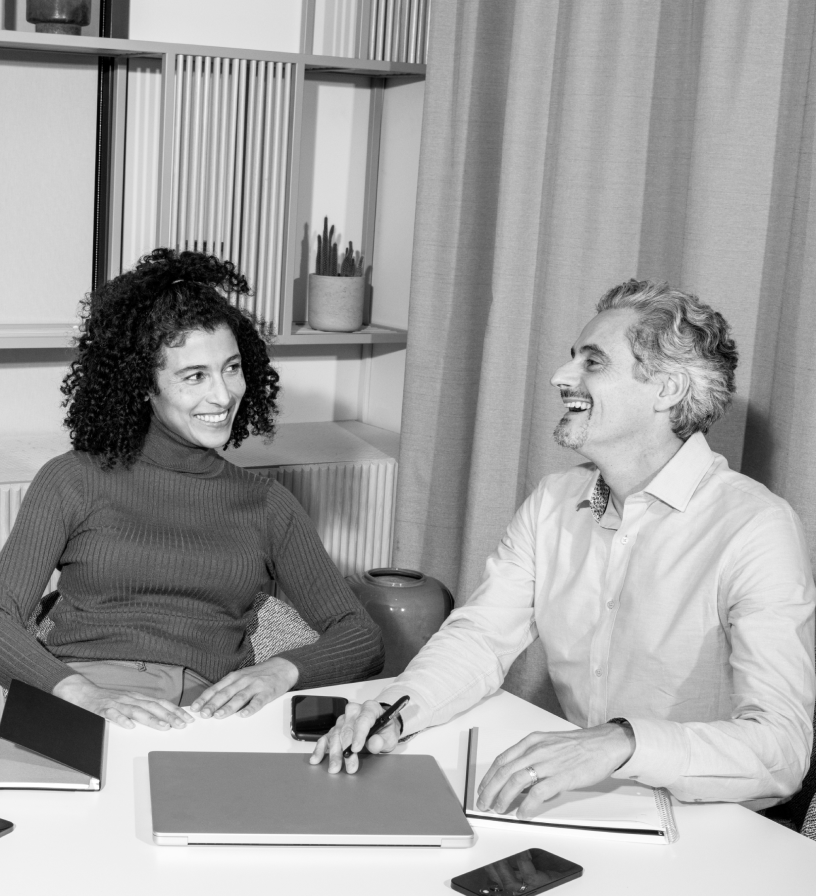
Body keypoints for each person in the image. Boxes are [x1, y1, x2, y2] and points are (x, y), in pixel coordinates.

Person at [312, 279, 816, 812]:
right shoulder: (553, 501)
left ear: (666, 390)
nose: (560, 376)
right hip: (582, 805)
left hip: (712, 824)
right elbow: (480, 638)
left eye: (593, 363)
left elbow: (782, 749)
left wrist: (621, 741)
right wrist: (394, 708)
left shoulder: (756, 526)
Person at [0, 248, 383, 730]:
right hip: (80, 701)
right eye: (194, 376)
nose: (223, 395)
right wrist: (83, 695)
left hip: (201, 717)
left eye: (231, 367)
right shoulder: (72, 480)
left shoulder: (267, 504)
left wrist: (279, 672)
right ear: (143, 384)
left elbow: (362, 638)